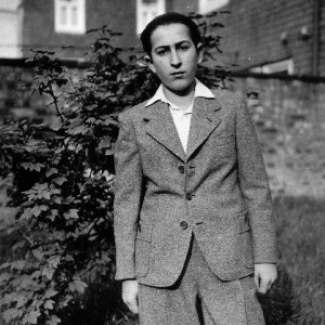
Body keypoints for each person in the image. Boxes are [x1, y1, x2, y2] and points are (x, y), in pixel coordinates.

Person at [113, 12, 278, 325]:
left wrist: (265, 256)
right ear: (150, 62)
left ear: (198, 51)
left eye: (183, 47)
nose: (175, 60)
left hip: (229, 254)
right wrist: (128, 275)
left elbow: (256, 186)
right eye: (163, 52)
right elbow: (125, 203)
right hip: (161, 263)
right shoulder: (135, 121)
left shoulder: (230, 107)